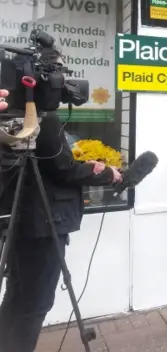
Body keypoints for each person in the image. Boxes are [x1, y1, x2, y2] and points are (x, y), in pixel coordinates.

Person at [0, 89, 123, 352]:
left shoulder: (13, 113)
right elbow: (63, 169)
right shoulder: (42, 117)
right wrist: (104, 173)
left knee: (16, 297)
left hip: (19, 221)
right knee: (34, 304)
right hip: (42, 225)